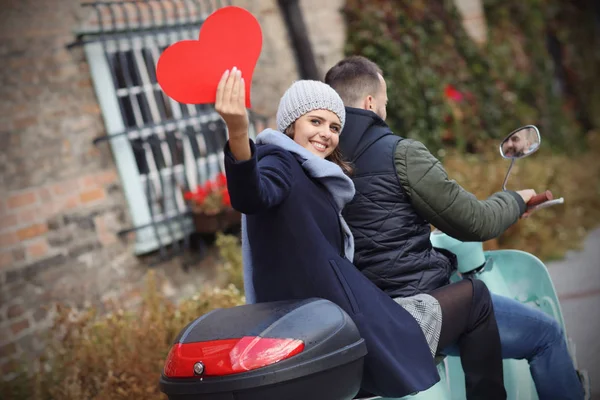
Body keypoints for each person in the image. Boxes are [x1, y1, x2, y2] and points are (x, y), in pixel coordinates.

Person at [215, 67, 506, 399]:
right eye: (315, 121)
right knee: (476, 297)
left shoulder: (314, 175)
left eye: (335, 126)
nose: (326, 133)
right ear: (291, 124)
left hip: (334, 326)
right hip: (351, 332)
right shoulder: (279, 160)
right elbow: (251, 195)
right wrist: (238, 131)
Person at [325, 55, 585, 400]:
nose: (385, 110)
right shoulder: (400, 153)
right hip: (425, 308)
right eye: (385, 102)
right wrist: (516, 200)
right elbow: (475, 222)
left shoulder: (319, 162)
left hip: (365, 320)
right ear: (370, 102)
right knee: (546, 335)